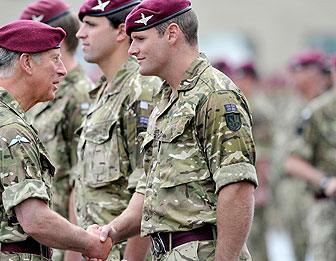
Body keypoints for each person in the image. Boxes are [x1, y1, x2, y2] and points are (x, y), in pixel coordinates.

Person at [93, 1, 258, 260]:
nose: (132, 49)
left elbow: (237, 187)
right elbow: (149, 189)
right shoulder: (167, 98)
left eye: (139, 39)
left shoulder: (214, 94)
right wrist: (112, 231)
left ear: (171, 34)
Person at [0, 20, 112, 261]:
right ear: (26, 63)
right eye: (54, 58)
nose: (62, 70)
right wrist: (89, 243)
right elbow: (36, 221)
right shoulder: (9, 128)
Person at [74, 0, 162, 260]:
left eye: (91, 24)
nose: (80, 33)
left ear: (122, 31)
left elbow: (148, 191)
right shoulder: (103, 92)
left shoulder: (140, 90)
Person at [20, 1, 94, 260]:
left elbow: (80, 181)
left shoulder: (78, 95)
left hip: (64, 241)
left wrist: (74, 251)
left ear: (57, 42)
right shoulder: (44, 95)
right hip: (44, 240)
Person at [274, 50, 329, 261]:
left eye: (299, 72)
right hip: (290, 186)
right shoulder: (293, 104)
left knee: (319, 246)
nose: (294, 78)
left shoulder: (324, 106)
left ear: (315, 74)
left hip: (315, 188)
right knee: (297, 247)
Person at [233, 62, 274, 261]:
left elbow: (264, 151)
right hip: (248, 178)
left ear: (252, 80)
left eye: (244, 79)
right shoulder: (246, 103)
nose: (240, 82)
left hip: (257, 180)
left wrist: (262, 186)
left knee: (257, 239)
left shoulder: (259, 109)